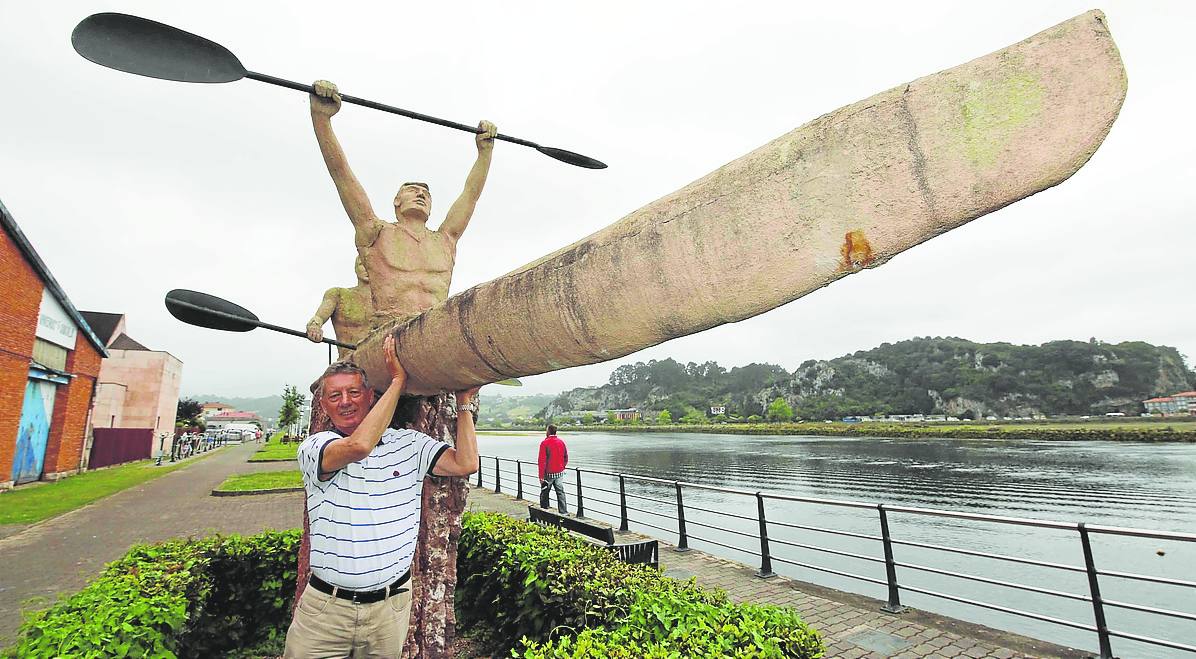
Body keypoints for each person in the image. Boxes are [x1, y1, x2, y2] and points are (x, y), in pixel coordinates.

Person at [284, 335, 480, 658]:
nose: (345, 401)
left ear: (369, 397)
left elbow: (466, 462)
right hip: (325, 612)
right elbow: (358, 447)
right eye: (335, 395)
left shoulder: (409, 444)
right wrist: (398, 382)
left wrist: (463, 405)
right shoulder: (316, 448)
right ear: (324, 406)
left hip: (389, 610)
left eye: (354, 392)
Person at [308, 80, 497, 324]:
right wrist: (321, 119)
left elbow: (471, 194)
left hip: (434, 331)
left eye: (426, 194)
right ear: (396, 201)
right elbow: (342, 174)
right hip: (388, 328)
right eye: (412, 190)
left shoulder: (444, 241)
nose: (421, 195)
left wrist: (485, 152)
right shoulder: (375, 232)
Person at [305, 256, 376, 359]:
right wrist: (314, 327)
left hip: (384, 362)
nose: (366, 268)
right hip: (349, 361)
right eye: (362, 264)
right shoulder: (338, 294)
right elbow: (318, 318)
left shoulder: (389, 302)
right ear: (356, 268)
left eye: (371, 265)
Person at [537, 424, 569, 514]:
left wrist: (541, 477)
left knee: (545, 492)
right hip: (559, 473)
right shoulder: (561, 442)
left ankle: (544, 510)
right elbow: (566, 457)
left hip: (548, 473)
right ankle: (563, 512)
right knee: (560, 492)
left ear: (548, 431)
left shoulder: (544, 443)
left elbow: (542, 461)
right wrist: (562, 467)